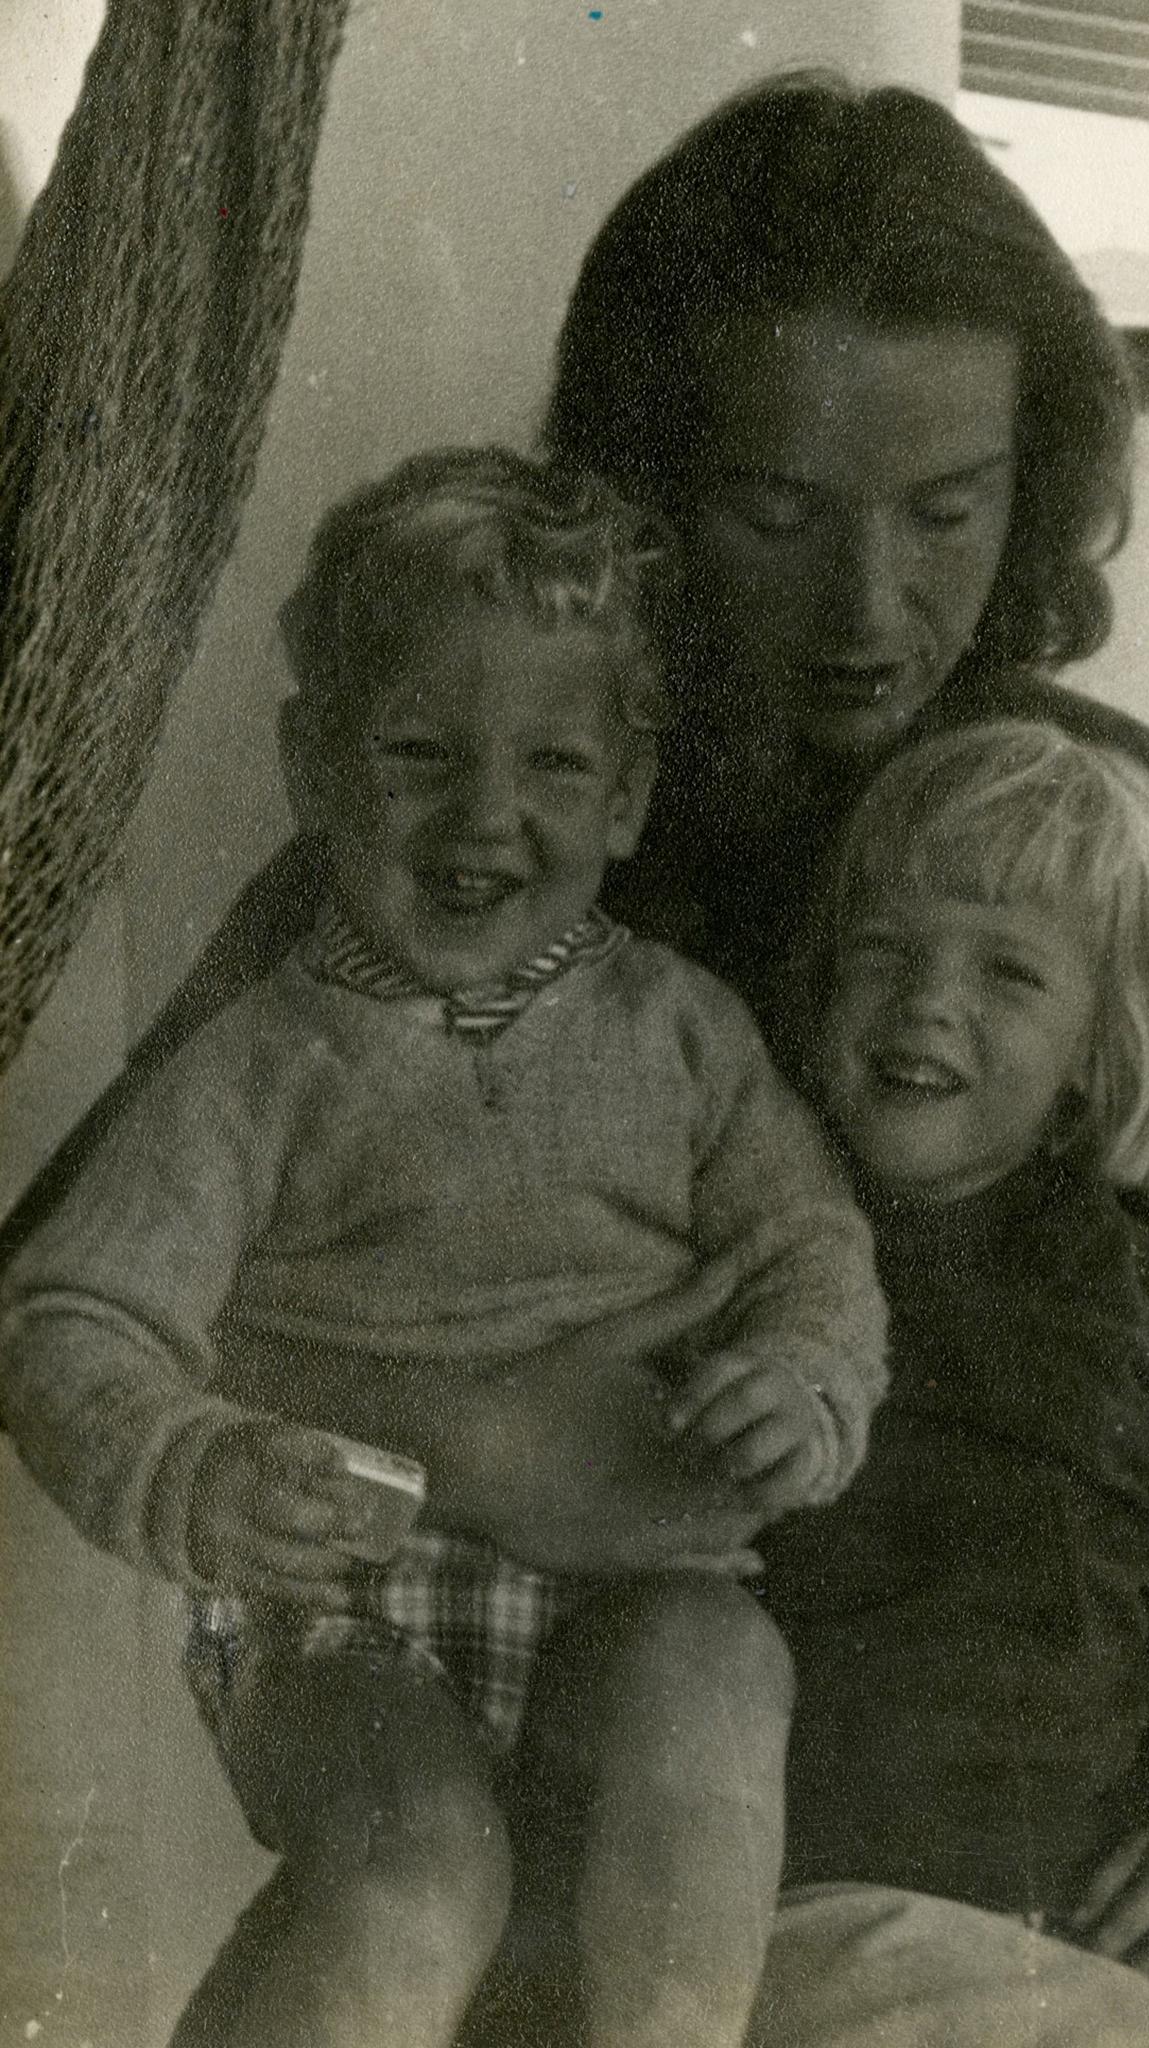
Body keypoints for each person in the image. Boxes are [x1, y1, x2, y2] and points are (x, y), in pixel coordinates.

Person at [3, 67, 1149, 2036]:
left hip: (1038, 1734)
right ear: (648, 482)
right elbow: (88, 1292)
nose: (873, 601)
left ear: (1041, 480)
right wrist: (466, 1444)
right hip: (591, 1756)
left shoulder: (1098, 814)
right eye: (779, 511)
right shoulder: (481, 850)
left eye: (950, 511)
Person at [0, 448, 888, 2048]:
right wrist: (199, 1462)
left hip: (638, 1572)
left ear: (626, 795)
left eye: (554, 764)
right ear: (313, 768)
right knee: (418, 1874)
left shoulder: (688, 1033)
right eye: (418, 751)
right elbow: (70, 1320)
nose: (488, 816)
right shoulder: (261, 1066)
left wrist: (803, 1377)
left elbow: (810, 1245)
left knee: (720, 1681)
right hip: (345, 1591)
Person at [765, 718, 1149, 2039]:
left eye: (1008, 972)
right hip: (820, 1904)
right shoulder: (754, 1256)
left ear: (1096, 1054)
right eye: (885, 950)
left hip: (1095, 1924)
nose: (928, 999)